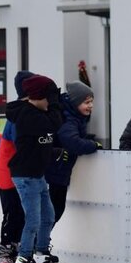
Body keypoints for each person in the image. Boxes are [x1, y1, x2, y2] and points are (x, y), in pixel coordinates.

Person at [6, 74, 68, 263]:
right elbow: (53, 125)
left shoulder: (38, 113)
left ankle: (41, 255)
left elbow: (42, 141)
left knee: (48, 217)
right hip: (25, 175)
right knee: (32, 220)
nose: (52, 103)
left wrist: (54, 152)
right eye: (50, 98)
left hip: (37, 175)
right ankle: (22, 260)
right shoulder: (27, 115)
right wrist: (56, 105)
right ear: (40, 97)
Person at [0, 70, 34, 263]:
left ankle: (17, 247)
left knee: (21, 213)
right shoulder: (18, 115)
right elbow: (22, 143)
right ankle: (5, 252)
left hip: (20, 174)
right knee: (12, 214)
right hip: (9, 176)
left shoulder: (26, 112)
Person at [46, 81, 102, 224]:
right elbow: (73, 142)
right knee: (54, 210)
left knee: (54, 210)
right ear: (75, 102)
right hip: (55, 171)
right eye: (86, 102)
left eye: (91, 102)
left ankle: (39, 243)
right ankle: (38, 243)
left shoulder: (73, 116)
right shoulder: (69, 119)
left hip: (58, 171)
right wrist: (93, 145)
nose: (91, 105)